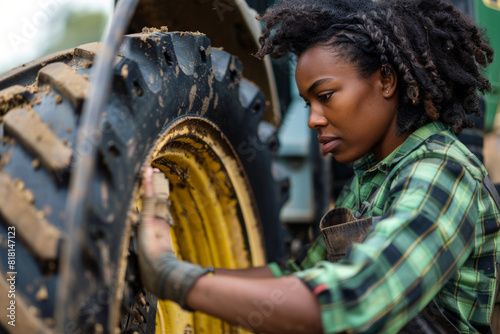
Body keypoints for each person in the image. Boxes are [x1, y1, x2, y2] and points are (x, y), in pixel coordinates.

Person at [137, 0, 500, 332]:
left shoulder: (442, 172)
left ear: (386, 80)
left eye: (325, 97)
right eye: (309, 103)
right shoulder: (374, 175)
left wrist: (173, 277)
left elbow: (359, 299)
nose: (313, 120)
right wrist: (188, 268)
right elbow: (298, 275)